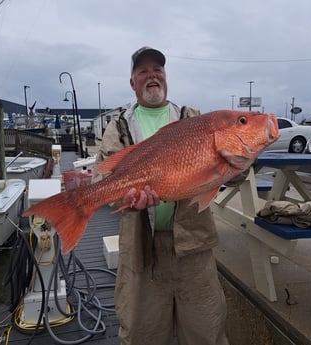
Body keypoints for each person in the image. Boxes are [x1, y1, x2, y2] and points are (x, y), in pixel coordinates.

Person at [93, 47, 229, 345]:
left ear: (165, 77)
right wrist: (125, 199)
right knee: (142, 335)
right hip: (142, 253)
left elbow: (229, 175)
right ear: (133, 83)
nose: (151, 75)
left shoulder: (192, 118)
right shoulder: (118, 126)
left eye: (158, 69)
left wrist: (245, 156)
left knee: (207, 333)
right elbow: (102, 179)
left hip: (193, 248)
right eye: (143, 71)